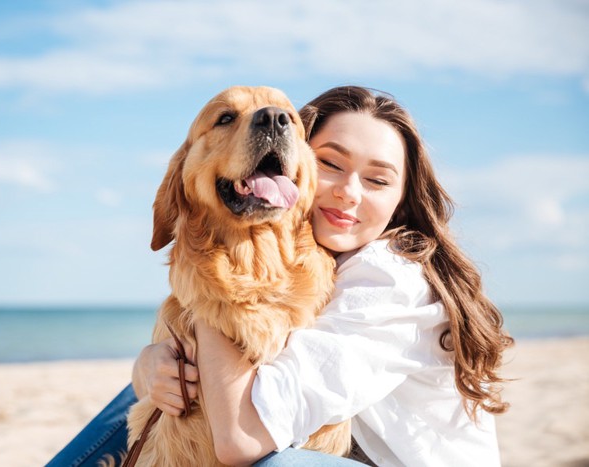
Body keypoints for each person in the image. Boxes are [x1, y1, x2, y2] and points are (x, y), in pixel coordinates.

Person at [47, 86, 513, 467]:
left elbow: (241, 437)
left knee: (275, 463)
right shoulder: (322, 261)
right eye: (331, 163)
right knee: (156, 385)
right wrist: (147, 369)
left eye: (378, 180)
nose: (349, 192)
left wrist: (211, 284)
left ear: (402, 201)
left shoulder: (387, 278)